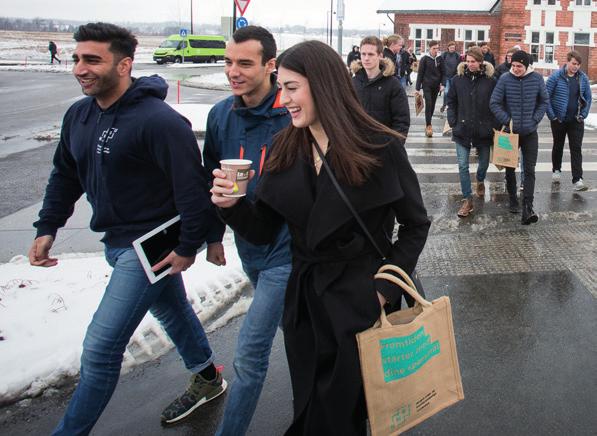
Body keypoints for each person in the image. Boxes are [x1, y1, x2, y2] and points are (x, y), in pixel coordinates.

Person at [211, 39, 430, 436]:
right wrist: (230, 206)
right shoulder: (287, 145)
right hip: (306, 306)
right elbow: (262, 229)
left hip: (358, 302)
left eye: (292, 88)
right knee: (310, 402)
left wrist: (381, 288)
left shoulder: (379, 146)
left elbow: (416, 224)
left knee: (342, 414)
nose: (284, 99)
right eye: (281, 87)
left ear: (324, 85)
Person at [29, 23, 226, 435]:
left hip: (150, 247)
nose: (80, 68)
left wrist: (192, 243)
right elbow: (65, 175)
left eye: (92, 59)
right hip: (114, 242)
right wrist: (48, 225)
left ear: (125, 65)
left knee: (100, 350)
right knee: (173, 311)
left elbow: (192, 189)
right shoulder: (79, 115)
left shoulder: (160, 122)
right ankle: (208, 379)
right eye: (77, 57)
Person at [202, 26, 292, 436]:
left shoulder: (291, 112)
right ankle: (323, 393)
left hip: (287, 251)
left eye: (244, 63)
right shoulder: (221, 114)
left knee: (250, 354)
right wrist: (212, 236)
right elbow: (210, 176)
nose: (232, 72)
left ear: (270, 65)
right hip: (248, 245)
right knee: (295, 328)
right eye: (227, 62)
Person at [490, 50, 548, 224]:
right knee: (509, 168)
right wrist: (508, 121)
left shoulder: (537, 79)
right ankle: (513, 199)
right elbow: (494, 102)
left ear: (527, 66)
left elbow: (544, 101)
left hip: (530, 133)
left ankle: (528, 207)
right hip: (510, 133)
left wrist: (535, 119)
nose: (515, 69)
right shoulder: (505, 79)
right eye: (513, 65)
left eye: (519, 66)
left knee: (529, 170)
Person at [446, 47, 498, 218]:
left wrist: (494, 124)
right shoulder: (457, 80)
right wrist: (453, 121)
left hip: (484, 130)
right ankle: (467, 199)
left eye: (473, 61)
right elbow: (451, 101)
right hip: (462, 129)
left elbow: (496, 103)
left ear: (480, 62)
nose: (470, 64)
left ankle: (480, 180)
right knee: (462, 165)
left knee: (483, 164)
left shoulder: (491, 81)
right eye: (467, 61)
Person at [546, 50, 592, 191]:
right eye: (573, 63)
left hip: (576, 120)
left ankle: (577, 179)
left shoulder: (582, 78)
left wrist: (583, 114)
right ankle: (556, 170)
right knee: (558, 145)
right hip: (559, 119)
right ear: (567, 61)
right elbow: (545, 97)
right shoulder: (556, 77)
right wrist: (552, 116)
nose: (575, 66)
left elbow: (588, 98)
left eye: (578, 64)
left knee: (576, 148)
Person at [351, 35, 410, 136]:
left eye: (371, 54)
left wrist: (393, 145)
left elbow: (402, 120)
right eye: (363, 54)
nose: (366, 58)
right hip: (357, 146)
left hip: (385, 146)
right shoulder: (352, 83)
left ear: (380, 55)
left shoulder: (393, 85)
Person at [415, 40, 445, 137]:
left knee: (432, 105)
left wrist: (443, 84)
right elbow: (420, 74)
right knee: (429, 103)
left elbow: (443, 73)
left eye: (437, 48)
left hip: (436, 86)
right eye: (434, 48)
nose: (436, 50)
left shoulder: (440, 59)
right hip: (426, 85)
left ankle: (429, 121)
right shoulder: (424, 59)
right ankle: (428, 125)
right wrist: (417, 88)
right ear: (429, 48)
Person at [441, 41, 461, 112]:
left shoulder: (457, 55)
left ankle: (451, 105)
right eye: (451, 47)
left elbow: (459, 66)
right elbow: (441, 65)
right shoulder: (444, 55)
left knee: (453, 92)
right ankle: (444, 105)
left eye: (453, 48)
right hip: (446, 76)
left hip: (454, 77)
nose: (452, 49)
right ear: (448, 48)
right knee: (446, 92)